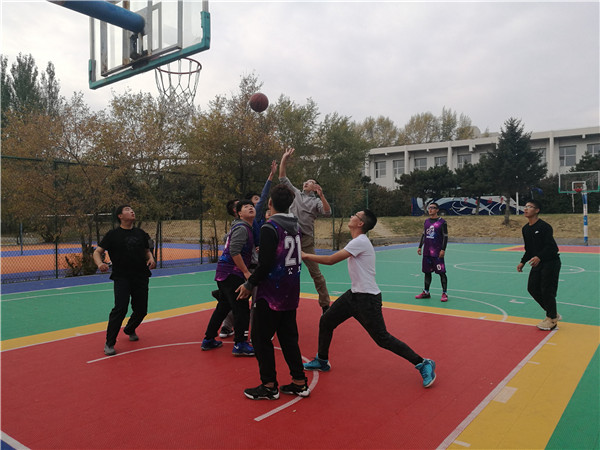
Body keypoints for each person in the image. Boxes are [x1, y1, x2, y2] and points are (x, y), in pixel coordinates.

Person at [302, 209, 437, 388]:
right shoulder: (357, 241)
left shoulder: (360, 241)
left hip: (367, 299)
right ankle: (322, 360)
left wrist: (305, 255)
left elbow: (331, 260)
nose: (351, 216)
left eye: (355, 215)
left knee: (382, 338)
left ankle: (423, 363)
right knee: (326, 320)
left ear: (360, 223)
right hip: (354, 295)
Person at [237, 184, 310, 400]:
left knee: (260, 339)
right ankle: (299, 382)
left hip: (270, 294)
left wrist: (249, 284)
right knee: (288, 338)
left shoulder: (270, 228)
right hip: (291, 291)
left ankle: (269, 386)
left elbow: (265, 264)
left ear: (269, 203)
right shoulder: (295, 226)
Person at [93, 205, 156, 356]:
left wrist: (151, 258)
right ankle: (109, 343)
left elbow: (147, 251)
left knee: (141, 310)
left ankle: (129, 328)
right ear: (120, 216)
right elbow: (97, 252)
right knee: (120, 309)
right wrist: (100, 264)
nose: (132, 211)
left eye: (132, 209)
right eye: (127, 209)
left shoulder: (140, 233)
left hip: (141, 276)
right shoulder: (113, 235)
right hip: (122, 277)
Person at [279, 147, 332, 313]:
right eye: (305, 181)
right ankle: (279, 302)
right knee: (283, 271)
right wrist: (284, 158)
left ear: (315, 186)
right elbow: (282, 177)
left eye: (310, 182)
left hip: (306, 240)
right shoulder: (295, 193)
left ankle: (325, 305)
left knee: (316, 274)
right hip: (290, 238)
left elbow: (327, 212)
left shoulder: (316, 202)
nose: (306, 182)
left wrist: (322, 195)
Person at [202, 200, 256, 356]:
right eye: (246, 207)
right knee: (241, 308)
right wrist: (245, 272)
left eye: (251, 206)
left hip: (224, 273)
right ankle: (240, 344)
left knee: (223, 307)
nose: (250, 207)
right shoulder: (242, 228)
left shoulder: (243, 227)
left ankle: (208, 339)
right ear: (239, 213)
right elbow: (234, 251)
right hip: (232, 273)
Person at [517, 199, 562, 330]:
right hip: (537, 263)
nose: (526, 209)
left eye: (530, 207)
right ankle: (552, 313)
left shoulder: (544, 227)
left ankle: (552, 319)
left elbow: (552, 248)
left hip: (551, 262)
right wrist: (522, 261)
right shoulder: (525, 229)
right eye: (525, 206)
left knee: (547, 290)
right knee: (532, 288)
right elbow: (529, 249)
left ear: (537, 210)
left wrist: (539, 257)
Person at [415, 202, 449, 302]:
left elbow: (445, 237)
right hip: (427, 253)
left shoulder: (442, 222)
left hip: (437, 253)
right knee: (427, 272)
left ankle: (444, 293)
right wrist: (420, 247)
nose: (430, 209)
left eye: (433, 208)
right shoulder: (426, 222)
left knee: (442, 273)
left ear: (437, 210)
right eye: (429, 208)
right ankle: (426, 292)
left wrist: (443, 249)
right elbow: (424, 235)